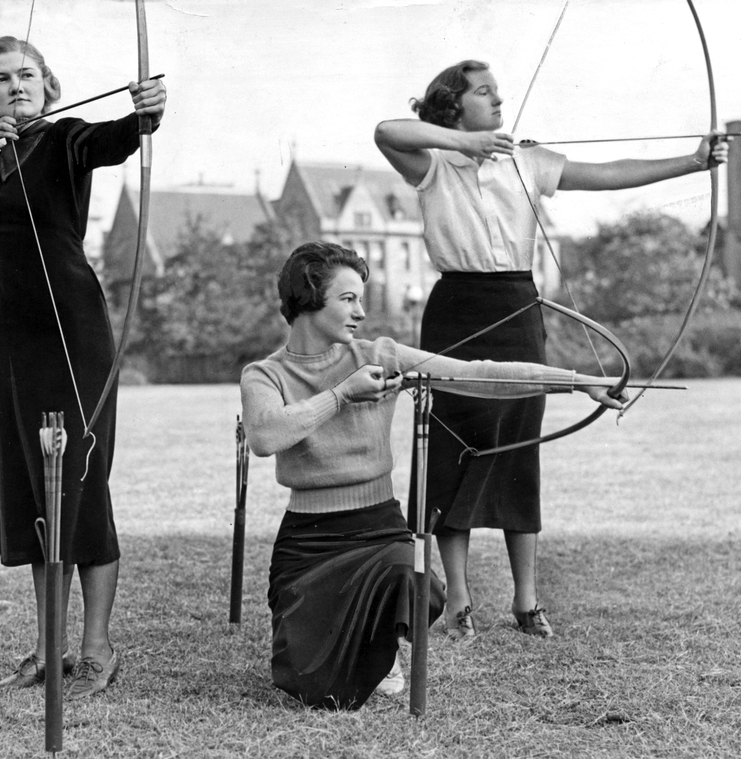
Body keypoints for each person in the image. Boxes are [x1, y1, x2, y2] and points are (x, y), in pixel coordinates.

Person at [373, 59, 729, 640]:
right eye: (483, 92)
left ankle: (526, 600)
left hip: (515, 305)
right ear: (453, 104)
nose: (497, 100)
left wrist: (691, 161)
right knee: (453, 449)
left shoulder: (528, 161)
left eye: (497, 92)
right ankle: (459, 601)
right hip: (457, 309)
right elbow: (388, 131)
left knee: (518, 446)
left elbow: (610, 172)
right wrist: (467, 143)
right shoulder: (431, 163)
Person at [240, 241, 624, 710]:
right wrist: (343, 394)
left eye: (361, 298)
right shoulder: (264, 374)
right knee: (307, 682)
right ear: (307, 297)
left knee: (416, 580)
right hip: (308, 540)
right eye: (348, 299)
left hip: (377, 526)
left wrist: (577, 381)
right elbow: (265, 437)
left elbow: (477, 373)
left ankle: (379, 647)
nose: (361, 311)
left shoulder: (379, 353)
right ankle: (352, 643)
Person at [0, 36, 166, 698]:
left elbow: (116, 137)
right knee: (35, 487)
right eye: (1, 78)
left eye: (27, 75)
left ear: (48, 85)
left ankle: (97, 649)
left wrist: (146, 114)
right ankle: (47, 647)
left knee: (78, 482)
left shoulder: (64, 140)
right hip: (10, 333)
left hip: (71, 328)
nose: (16, 84)